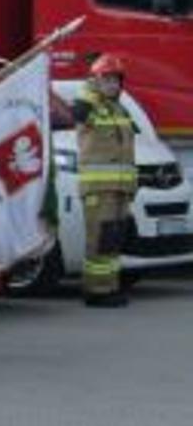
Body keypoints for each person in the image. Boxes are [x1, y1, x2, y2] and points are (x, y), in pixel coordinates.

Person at [72, 53, 138, 309]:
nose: (112, 85)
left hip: (120, 188)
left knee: (112, 239)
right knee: (99, 239)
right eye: (106, 79)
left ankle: (109, 286)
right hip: (98, 188)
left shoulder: (120, 109)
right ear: (95, 80)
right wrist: (92, 85)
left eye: (116, 80)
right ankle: (96, 290)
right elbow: (80, 108)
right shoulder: (87, 104)